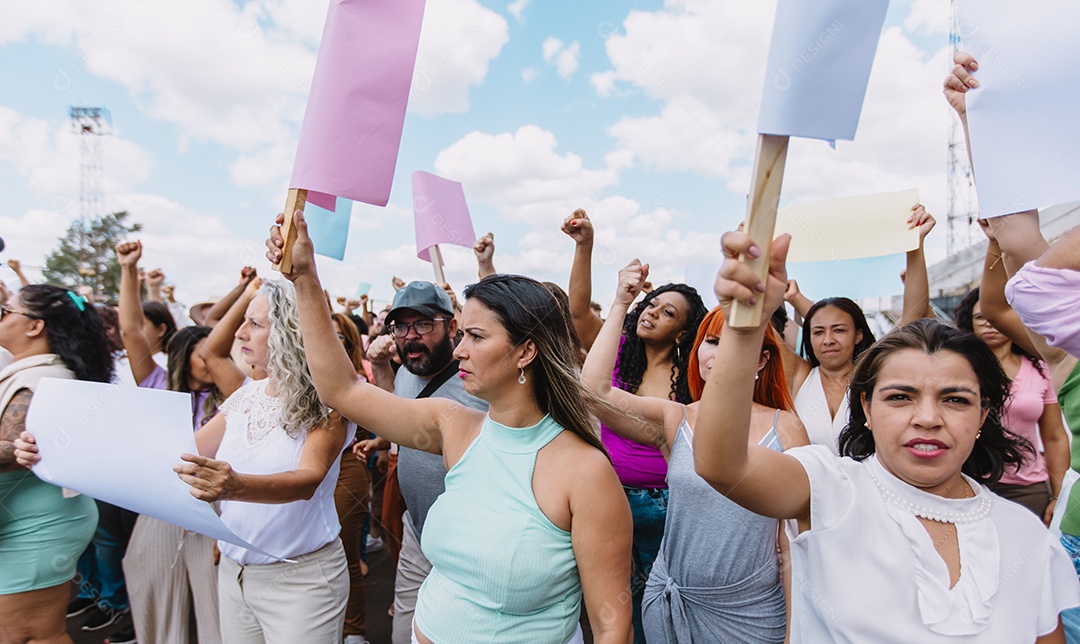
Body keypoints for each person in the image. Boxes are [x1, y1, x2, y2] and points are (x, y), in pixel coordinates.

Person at [695, 228, 1080, 641]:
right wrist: (742, 329)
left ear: (984, 414)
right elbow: (721, 463)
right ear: (866, 409)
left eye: (955, 400)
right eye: (900, 397)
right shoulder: (830, 490)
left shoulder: (1026, 534)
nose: (928, 418)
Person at [267, 210, 634, 643]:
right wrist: (305, 278)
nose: (459, 351)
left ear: (526, 352)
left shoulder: (587, 472)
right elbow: (342, 390)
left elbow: (613, 625)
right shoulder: (454, 426)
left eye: (475, 337)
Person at [582, 259, 809, 642]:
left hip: (751, 612)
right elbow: (594, 391)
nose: (719, 353)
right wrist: (621, 302)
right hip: (671, 601)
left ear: (762, 359)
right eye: (713, 340)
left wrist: (794, 633)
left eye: (737, 342)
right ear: (697, 349)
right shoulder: (675, 418)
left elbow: (793, 541)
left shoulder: (786, 426)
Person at [360, 280, 488, 644]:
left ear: (451, 327)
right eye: (400, 326)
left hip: (470, 543)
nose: (410, 337)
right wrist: (383, 367)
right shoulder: (405, 373)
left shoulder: (478, 384)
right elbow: (394, 415)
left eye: (422, 325)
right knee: (403, 634)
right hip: (418, 534)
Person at [114, 240, 223, 644]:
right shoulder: (156, 384)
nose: (216, 361)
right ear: (182, 357)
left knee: (217, 616)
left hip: (216, 511)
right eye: (206, 354)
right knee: (154, 600)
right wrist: (128, 270)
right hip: (160, 509)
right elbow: (130, 328)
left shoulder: (231, 397)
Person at [0, 285, 113, 644]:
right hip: (23, 514)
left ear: (35, 326)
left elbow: (12, 452)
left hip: (36, 524)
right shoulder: (30, 371)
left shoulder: (42, 379)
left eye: (5, 311)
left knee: (28, 634)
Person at [783, 207, 935, 455]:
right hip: (808, 492)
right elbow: (758, 324)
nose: (828, 340)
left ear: (859, 334)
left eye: (840, 330)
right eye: (818, 332)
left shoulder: (874, 372)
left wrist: (915, 245)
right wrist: (752, 255)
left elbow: (913, 316)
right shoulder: (798, 377)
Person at [954, 288, 1069, 522]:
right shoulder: (958, 367)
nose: (988, 323)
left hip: (1029, 491)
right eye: (979, 317)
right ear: (969, 322)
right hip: (967, 481)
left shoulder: (1040, 369)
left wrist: (1059, 497)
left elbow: (1055, 436)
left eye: (994, 316)